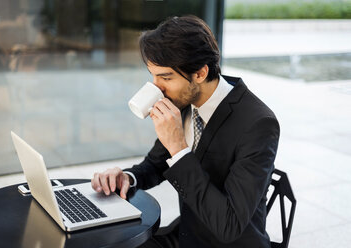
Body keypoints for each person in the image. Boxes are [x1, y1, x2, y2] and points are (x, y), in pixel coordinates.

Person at [91, 15, 280, 248]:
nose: (156, 87)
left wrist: (179, 148)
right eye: (153, 75)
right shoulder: (183, 100)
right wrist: (127, 178)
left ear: (200, 73)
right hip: (187, 234)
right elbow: (155, 165)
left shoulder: (257, 124)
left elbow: (228, 225)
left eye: (165, 77)